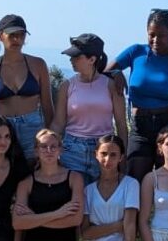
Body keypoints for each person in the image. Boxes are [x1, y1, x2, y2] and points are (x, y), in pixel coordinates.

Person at [109, 9, 168, 179]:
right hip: (140, 127)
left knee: (166, 181)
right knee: (133, 180)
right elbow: (105, 72)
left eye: (161, 35)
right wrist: (116, 73)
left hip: (166, 125)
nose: (155, 40)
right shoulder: (136, 52)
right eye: (151, 34)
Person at [53, 34, 126, 183]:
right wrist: (47, 144)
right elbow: (59, 122)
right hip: (72, 149)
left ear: (92, 59)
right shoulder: (67, 86)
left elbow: (121, 123)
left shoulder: (112, 86)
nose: (71, 60)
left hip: (104, 150)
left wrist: (122, 155)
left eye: (76, 57)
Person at [0, 14, 55, 159]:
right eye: (12, 35)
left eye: (21, 35)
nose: (17, 39)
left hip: (33, 127)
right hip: (2, 130)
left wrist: (52, 137)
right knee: (4, 170)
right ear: (0, 36)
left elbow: (47, 105)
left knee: (34, 171)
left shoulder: (38, 65)